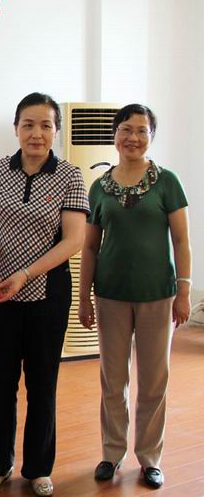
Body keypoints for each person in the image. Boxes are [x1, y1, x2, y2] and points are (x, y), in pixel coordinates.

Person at [0, 93, 88, 496]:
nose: (36, 133)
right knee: (0, 382)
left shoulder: (70, 176)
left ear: (56, 131)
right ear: (16, 128)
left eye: (45, 125)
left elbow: (74, 240)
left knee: (42, 383)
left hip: (48, 296)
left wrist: (26, 272)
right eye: (28, 124)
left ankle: (38, 468)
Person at [77, 104, 191, 489]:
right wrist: (84, 297)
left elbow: (182, 241)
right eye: (126, 129)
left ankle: (150, 458)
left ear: (151, 137)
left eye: (142, 131)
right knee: (113, 379)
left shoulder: (168, 182)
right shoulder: (99, 187)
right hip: (110, 295)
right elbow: (89, 247)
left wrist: (184, 291)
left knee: (154, 380)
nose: (133, 138)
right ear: (115, 134)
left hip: (158, 295)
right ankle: (111, 453)